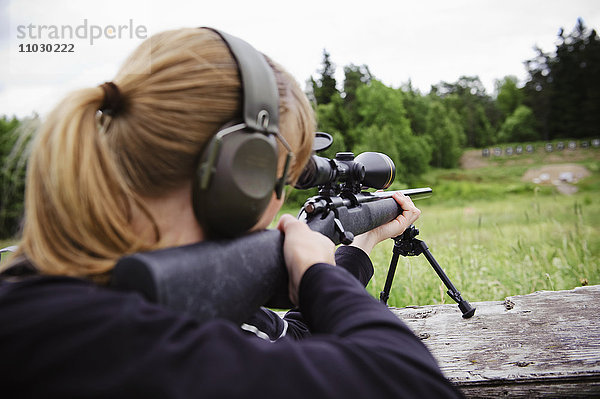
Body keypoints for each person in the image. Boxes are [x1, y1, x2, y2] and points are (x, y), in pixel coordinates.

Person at [0, 28, 462, 398]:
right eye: (280, 179)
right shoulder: (103, 339)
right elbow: (410, 382)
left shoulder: (66, 301)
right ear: (240, 175)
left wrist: (353, 253)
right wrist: (322, 276)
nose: (279, 200)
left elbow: (282, 341)